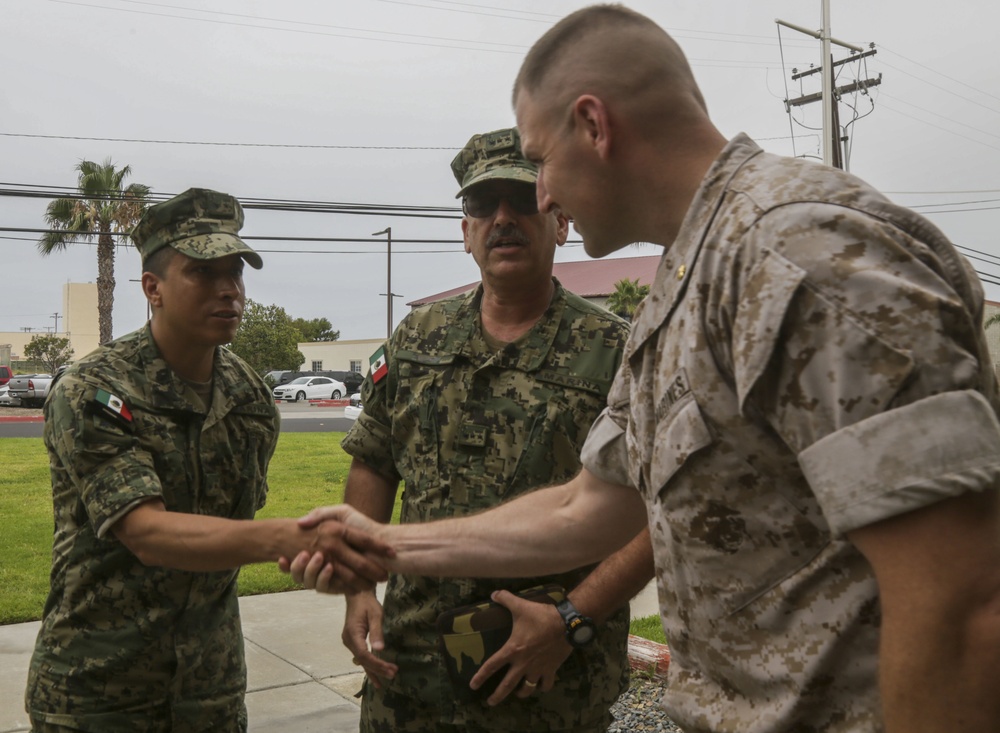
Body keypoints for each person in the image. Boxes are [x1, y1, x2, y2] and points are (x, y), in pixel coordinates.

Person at [291, 6, 1000, 733]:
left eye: (539, 161)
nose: (540, 196)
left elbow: (961, 607)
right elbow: (585, 510)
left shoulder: (796, 257)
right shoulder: (687, 284)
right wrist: (381, 541)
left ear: (594, 126)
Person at [295, 127, 653, 733]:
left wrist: (572, 618)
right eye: (483, 206)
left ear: (561, 220)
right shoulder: (417, 340)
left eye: (524, 199)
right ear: (466, 231)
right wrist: (359, 590)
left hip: (550, 683)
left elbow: (658, 510)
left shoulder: (617, 350)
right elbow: (374, 462)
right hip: (409, 678)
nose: (503, 219)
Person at [25, 188, 391, 733]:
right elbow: (146, 533)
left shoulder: (248, 397)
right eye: (204, 273)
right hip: (98, 688)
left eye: (236, 274)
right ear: (153, 288)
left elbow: (230, 527)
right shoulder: (93, 390)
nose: (229, 291)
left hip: (210, 689)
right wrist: (294, 538)